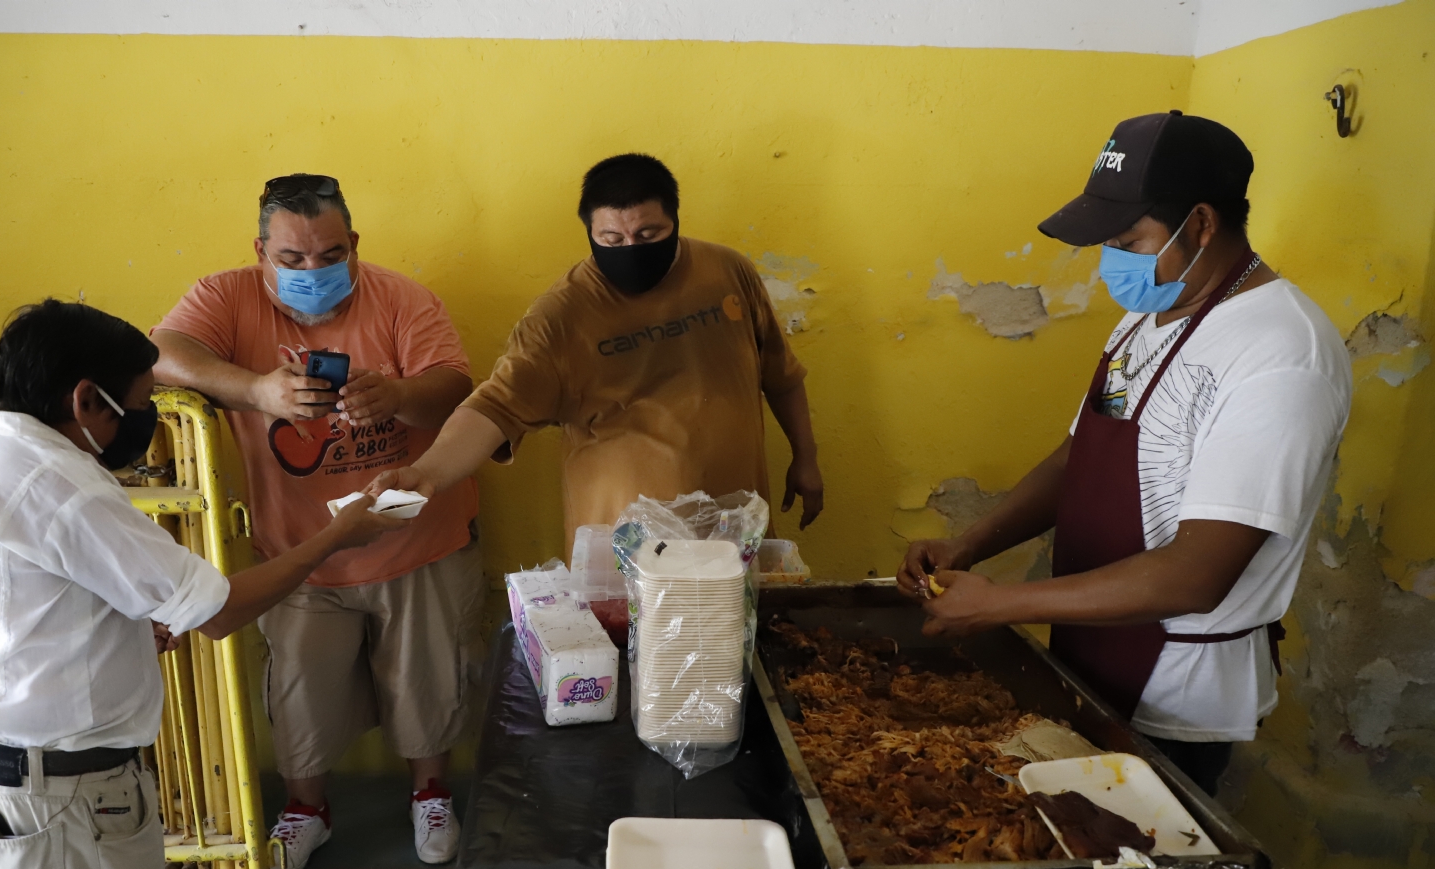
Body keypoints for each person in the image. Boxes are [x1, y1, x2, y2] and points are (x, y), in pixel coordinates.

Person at [0, 300, 405, 869]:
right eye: (137, 405)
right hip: (68, 792)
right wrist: (340, 533)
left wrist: (99, 632)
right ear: (84, 401)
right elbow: (218, 610)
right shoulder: (57, 484)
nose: (143, 423)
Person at [899, 112, 1351, 797]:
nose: (1113, 260)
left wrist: (1000, 606)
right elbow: (1079, 454)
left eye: (1127, 240)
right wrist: (970, 546)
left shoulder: (1282, 354)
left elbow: (1196, 575)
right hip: (1090, 653)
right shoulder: (1148, 315)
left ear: (1201, 224)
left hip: (1174, 690)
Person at [151, 174, 483, 869]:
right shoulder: (225, 296)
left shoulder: (402, 299)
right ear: (261, 251)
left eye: (330, 256)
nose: (312, 272)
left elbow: (456, 390)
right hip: (298, 550)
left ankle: (431, 794)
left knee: (430, 681)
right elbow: (161, 354)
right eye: (292, 260)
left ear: (354, 244)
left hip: (415, 535)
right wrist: (257, 390)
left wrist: (395, 396)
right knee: (301, 689)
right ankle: (308, 808)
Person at [368, 152, 824, 551]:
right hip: (629, 546)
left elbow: (780, 374)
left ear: (675, 221)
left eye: (648, 235)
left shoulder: (726, 272)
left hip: (733, 528)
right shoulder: (561, 317)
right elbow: (494, 408)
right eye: (611, 240)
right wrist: (425, 474)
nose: (630, 249)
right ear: (590, 231)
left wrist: (805, 456)